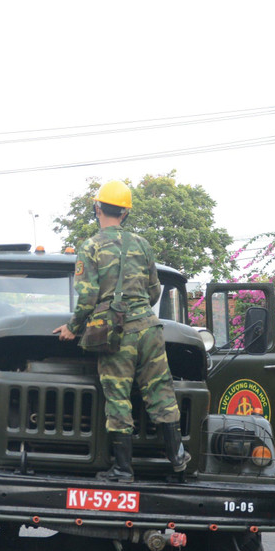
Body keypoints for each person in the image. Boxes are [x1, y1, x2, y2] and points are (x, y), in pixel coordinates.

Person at [53, 180, 189, 482]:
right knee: (160, 391)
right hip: (150, 328)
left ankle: (123, 469)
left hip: (117, 334)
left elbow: (87, 298)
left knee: (118, 397)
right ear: (125, 212)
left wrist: (72, 328)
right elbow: (154, 291)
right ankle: (177, 456)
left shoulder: (90, 247)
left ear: (97, 207)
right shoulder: (142, 244)